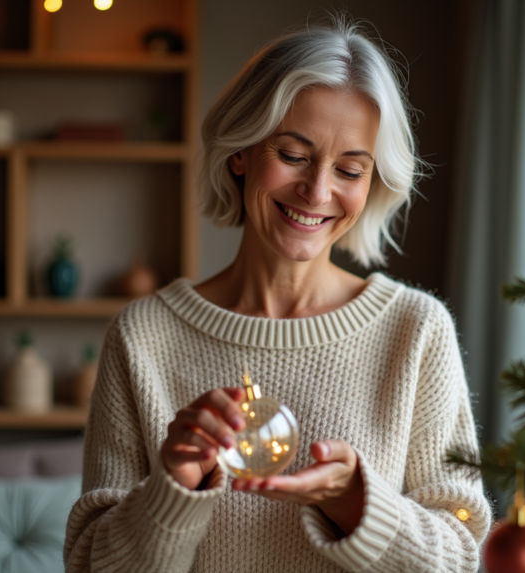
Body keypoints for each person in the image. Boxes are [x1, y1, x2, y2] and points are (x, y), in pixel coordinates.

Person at [64, 17, 490, 573]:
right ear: (240, 151)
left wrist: (354, 503)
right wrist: (172, 487)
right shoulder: (144, 335)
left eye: (350, 169)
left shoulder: (416, 329)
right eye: (293, 155)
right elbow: (93, 565)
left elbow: (462, 559)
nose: (317, 191)